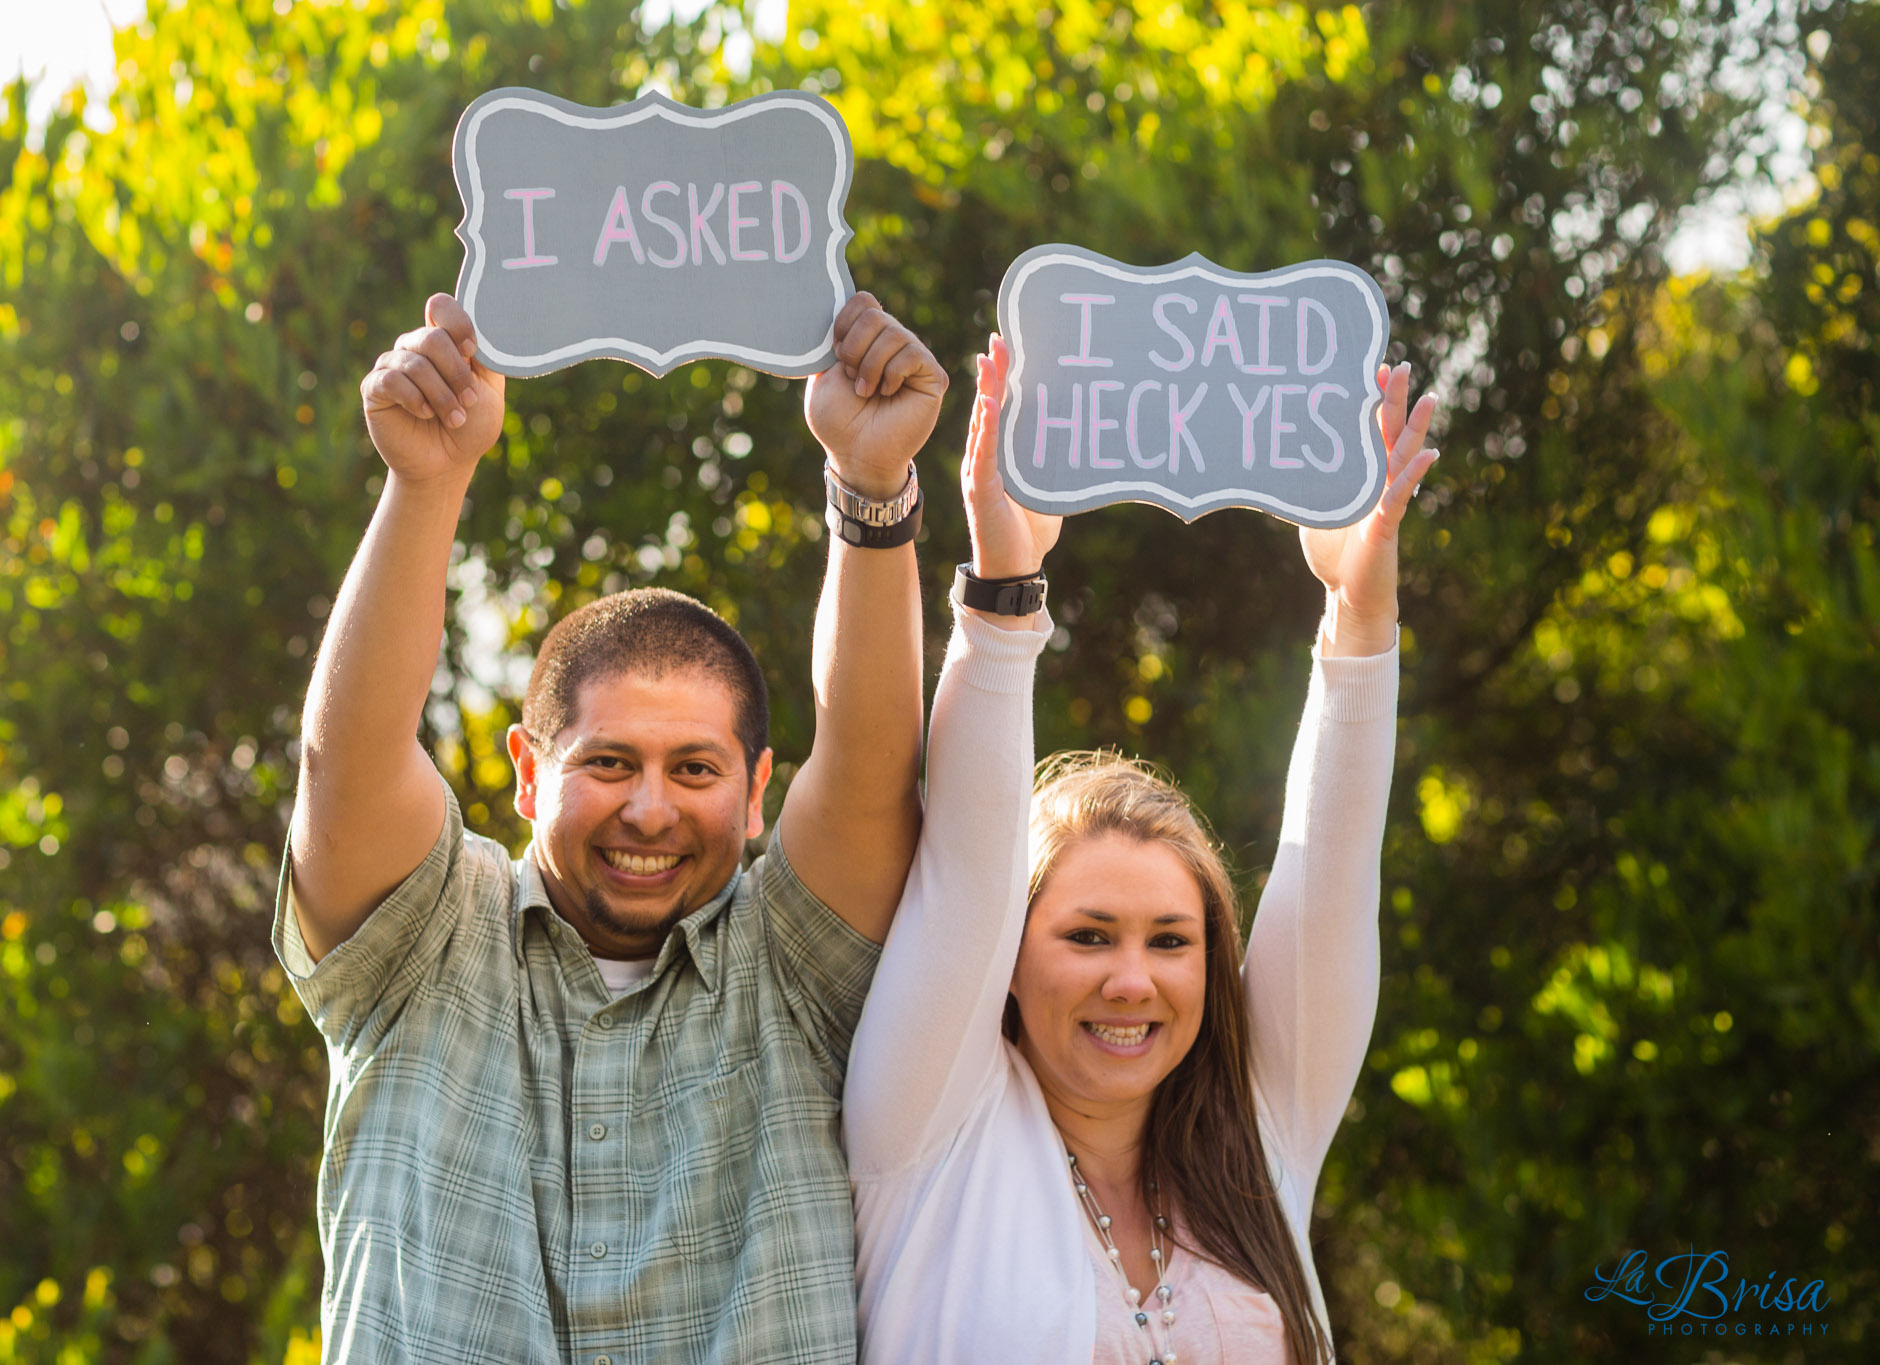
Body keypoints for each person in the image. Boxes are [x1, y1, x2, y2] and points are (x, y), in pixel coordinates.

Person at [277, 290, 945, 1363]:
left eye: (693, 769)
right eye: (607, 764)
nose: (649, 807)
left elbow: (871, 769)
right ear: (528, 775)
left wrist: (870, 490)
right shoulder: (424, 938)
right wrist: (427, 478)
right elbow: (342, 763)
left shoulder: (790, 961)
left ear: (757, 787)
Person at [844, 338, 1440, 1364]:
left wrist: (1359, 612)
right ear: (1006, 960)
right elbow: (966, 870)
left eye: (1170, 940)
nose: (1132, 979)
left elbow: (1330, 871)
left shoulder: (1257, 1134)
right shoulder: (927, 1130)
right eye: (1086, 934)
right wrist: (1003, 589)